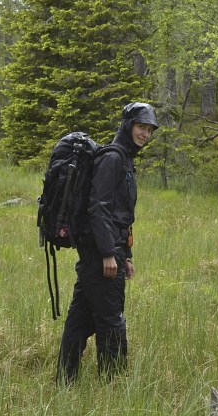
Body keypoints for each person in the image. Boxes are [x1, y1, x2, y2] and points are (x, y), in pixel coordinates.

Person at [57, 101, 159, 384]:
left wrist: (124, 254)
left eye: (149, 130)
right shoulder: (112, 158)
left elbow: (118, 215)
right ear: (128, 126)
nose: (145, 134)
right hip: (100, 252)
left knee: (81, 320)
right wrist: (108, 254)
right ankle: (113, 384)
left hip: (108, 250)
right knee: (111, 321)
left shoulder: (124, 158)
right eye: (141, 127)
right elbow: (98, 208)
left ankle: (65, 380)